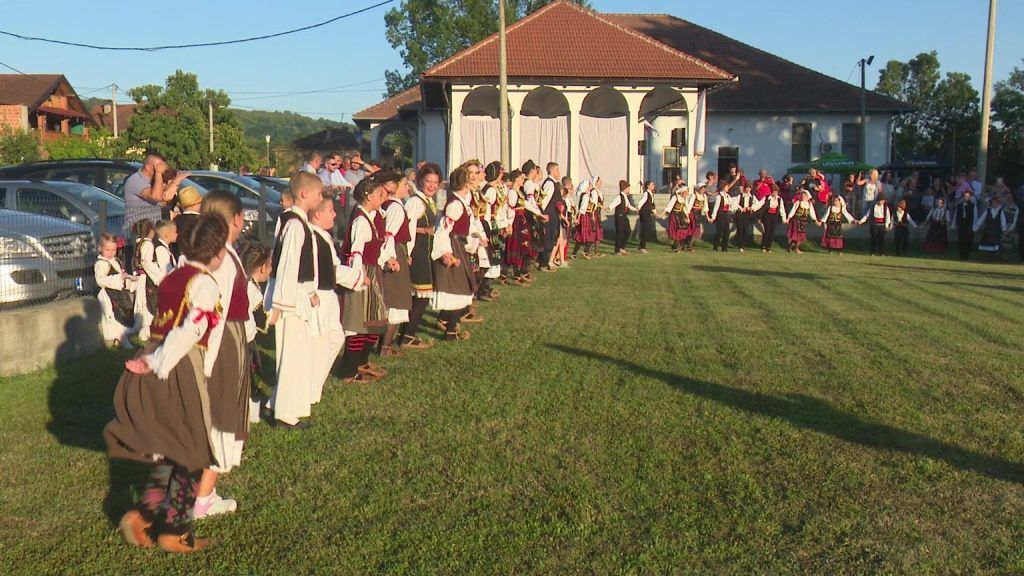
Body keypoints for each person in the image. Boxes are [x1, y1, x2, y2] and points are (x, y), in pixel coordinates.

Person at [104, 214, 229, 553]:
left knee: (171, 450)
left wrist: (152, 357)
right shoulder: (204, 283)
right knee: (191, 450)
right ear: (217, 253)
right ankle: (174, 531)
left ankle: (143, 514)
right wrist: (160, 363)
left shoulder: (174, 277)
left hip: (158, 355)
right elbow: (193, 329)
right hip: (179, 365)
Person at [266, 172, 323, 429]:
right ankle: (285, 414)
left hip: (299, 295)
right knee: (291, 355)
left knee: (297, 354)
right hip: (291, 301)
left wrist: (310, 290)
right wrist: (280, 305)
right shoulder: (294, 225)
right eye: (319, 194)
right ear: (304, 194)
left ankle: (276, 402)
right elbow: (287, 266)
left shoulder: (296, 222)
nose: (321, 199)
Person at [308, 192, 364, 389]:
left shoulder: (323, 237)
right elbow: (331, 269)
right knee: (324, 340)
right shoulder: (315, 238)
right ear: (317, 215)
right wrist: (357, 277)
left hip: (328, 295)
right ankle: (311, 385)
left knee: (336, 337)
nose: (334, 215)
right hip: (319, 296)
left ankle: (315, 384)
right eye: (331, 211)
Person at [337, 177, 389, 379]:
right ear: (368, 196)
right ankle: (349, 370)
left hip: (372, 271)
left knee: (374, 320)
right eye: (378, 195)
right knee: (359, 321)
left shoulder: (371, 216)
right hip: (363, 272)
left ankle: (362, 361)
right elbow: (355, 252)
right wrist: (358, 277)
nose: (382, 198)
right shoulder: (361, 220)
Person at [432, 167, 478, 340]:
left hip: (459, 244)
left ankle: (451, 328)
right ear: (465, 183)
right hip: (454, 246)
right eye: (470, 178)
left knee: (462, 288)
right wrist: (446, 253)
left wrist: (477, 237)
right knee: (459, 288)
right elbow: (443, 229)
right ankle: (450, 330)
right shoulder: (455, 204)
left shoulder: (459, 201)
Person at [123, 152, 188, 270]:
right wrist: (158, 173)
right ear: (148, 167)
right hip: (139, 232)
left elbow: (164, 200)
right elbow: (156, 197)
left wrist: (174, 181)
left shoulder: (155, 181)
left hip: (153, 231)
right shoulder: (136, 180)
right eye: (158, 166)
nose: (162, 169)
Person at [401, 162, 441, 349]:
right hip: (416, 253)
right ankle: (407, 336)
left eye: (435, 182)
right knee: (421, 296)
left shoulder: (428, 201)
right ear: (420, 181)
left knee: (421, 297)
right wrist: (408, 253)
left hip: (426, 253)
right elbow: (405, 227)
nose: (431, 185)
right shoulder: (415, 202)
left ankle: (407, 334)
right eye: (428, 181)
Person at [378, 172, 414, 356]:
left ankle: (384, 344)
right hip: (393, 252)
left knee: (393, 298)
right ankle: (385, 346)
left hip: (397, 251)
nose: (407, 188)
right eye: (405, 185)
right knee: (396, 299)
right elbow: (388, 235)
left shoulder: (391, 206)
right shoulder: (395, 208)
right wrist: (390, 258)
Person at [238, 241, 271, 424]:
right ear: (261, 268)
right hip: (245, 338)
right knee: (248, 376)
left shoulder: (240, 280)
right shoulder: (253, 290)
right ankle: (250, 412)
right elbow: (261, 319)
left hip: (237, 336)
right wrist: (275, 315)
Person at [135, 219, 176, 341]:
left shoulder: (154, 245)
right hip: (156, 282)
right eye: (175, 232)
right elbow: (157, 266)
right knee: (153, 307)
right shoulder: (157, 248)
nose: (177, 234)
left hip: (155, 280)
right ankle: (147, 331)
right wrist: (163, 279)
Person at [96, 233, 138, 349]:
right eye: (107, 250)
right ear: (100, 248)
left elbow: (121, 275)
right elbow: (100, 280)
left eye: (113, 250)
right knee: (113, 316)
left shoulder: (115, 261)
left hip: (117, 292)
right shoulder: (101, 264)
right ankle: (122, 339)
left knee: (121, 313)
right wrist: (119, 278)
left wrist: (129, 278)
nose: (111, 253)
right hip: (108, 295)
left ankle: (119, 340)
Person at [505, 169, 538, 284]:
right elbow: (511, 209)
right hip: (516, 221)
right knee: (517, 246)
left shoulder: (519, 192)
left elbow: (527, 205)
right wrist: (509, 223)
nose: (523, 180)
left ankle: (520, 272)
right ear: (516, 179)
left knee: (524, 245)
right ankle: (515, 275)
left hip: (521, 220)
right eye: (521, 178)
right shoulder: (512, 192)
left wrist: (539, 213)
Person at [171, 186, 204, 265]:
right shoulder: (202, 221)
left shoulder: (175, 220)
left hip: (178, 260)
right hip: (199, 259)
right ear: (196, 204)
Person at [539, 162, 563, 271]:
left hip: (553, 214)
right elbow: (544, 201)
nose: (559, 172)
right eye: (557, 170)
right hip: (549, 215)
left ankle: (546, 262)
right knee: (548, 239)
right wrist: (542, 214)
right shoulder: (550, 184)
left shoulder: (554, 183)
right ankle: (543, 264)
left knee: (553, 237)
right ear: (552, 170)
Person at [754, 185, 786, 253]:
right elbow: (759, 204)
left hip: (774, 216)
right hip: (767, 216)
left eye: (776, 192)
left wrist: (784, 218)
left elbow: (782, 209)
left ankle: (769, 247)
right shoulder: (767, 198)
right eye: (773, 192)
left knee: (772, 231)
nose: (775, 193)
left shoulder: (779, 199)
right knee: (767, 230)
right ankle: (763, 246)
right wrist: (753, 208)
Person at [607, 180, 636, 255]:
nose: (629, 189)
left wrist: (636, 209)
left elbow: (628, 205)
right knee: (620, 233)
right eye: (628, 188)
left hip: (624, 216)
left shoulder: (625, 196)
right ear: (625, 188)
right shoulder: (619, 197)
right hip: (619, 217)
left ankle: (622, 248)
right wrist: (609, 208)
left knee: (628, 232)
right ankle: (617, 250)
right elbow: (613, 203)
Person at [573, 179, 600, 258]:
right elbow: (583, 208)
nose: (591, 186)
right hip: (585, 216)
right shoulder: (585, 196)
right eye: (589, 185)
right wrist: (578, 217)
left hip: (586, 215)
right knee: (589, 234)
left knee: (585, 235)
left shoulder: (586, 195)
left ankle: (578, 253)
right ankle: (584, 252)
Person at [707, 182, 733, 252]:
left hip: (726, 214)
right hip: (720, 215)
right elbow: (716, 207)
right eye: (727, 187)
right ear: (723, 187)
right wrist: (713, 217)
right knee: (719, 232)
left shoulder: (727, 196)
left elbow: (731, 204)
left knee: (727, 231)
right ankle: (715, 247)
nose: (728, 188)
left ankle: (724, 248)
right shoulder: (719, 196)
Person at [952, 189, 978, 259]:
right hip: (961, 224)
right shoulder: (960, 205)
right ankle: (961, 254)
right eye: (965, 196)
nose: (966, 197)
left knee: (968, 240)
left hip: (969, 225)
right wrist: (955, 224)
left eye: (968, 196)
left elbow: (975, 216)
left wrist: (974, 226)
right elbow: (956, 215)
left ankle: (966, 254)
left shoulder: (973, 205)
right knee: (961, 240)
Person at [733, 184, 757, 251]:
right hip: (740, 214)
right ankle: (740, 245)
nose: (748, 189)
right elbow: (735, 203)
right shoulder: (740, 196)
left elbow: (757, 204)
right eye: (747, 188)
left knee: (745, 230)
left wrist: (751, 208)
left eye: (749, 188)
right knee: (740, 229)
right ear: (744, 188)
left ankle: (743, 244)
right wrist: (741, 208)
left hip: (747, 215)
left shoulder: (752, 197)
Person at [636, 180, 657, 253]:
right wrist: (638, 208)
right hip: (644, 213)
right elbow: (642, 201)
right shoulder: (646, 193)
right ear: (648, 186)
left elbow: (652, 204)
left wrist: (655, 213)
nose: (653, 186)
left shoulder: (651, 194)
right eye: (652, 184)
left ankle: (641, 245)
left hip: (647, 212)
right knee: (645, 229)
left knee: (647, 229)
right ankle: (642, 247)